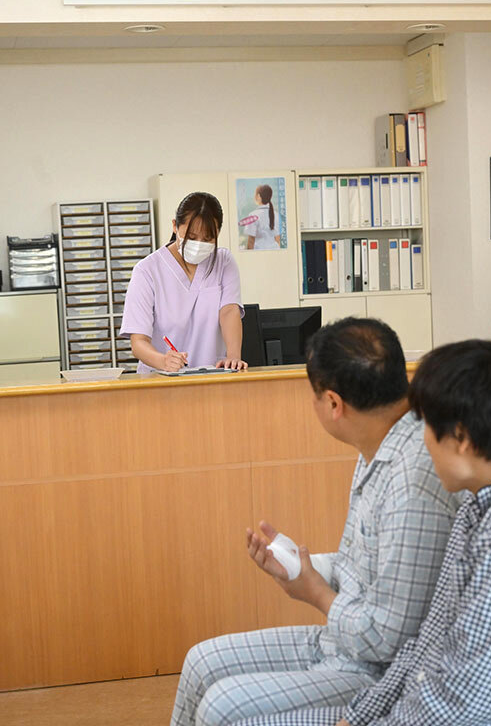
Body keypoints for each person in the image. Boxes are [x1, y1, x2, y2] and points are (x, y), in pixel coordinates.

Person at [170, 318, 458, 726]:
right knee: (200, 661)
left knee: (222, 706)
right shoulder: (377, 446)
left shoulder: (412, 483)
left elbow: (386, 640)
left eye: (314, 395)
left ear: (334, 404)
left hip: (377, 672)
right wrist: (299, 564)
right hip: (341, 641)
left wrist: (316, 593)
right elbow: (365, 566)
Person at [233, 339, 491, 726]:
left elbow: (470, 700)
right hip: (420, 699)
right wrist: (357, 717)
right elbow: (426, 643)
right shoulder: (477, 507)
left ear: (461, 438)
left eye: (428, 427)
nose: (421, 441)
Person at [120, 192, 248, 372]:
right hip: (161, 379)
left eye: (208, 238)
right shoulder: (147, 270)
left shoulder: (223, 262)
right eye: (192, 237)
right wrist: (163, 361)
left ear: (218, 233)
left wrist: (233, 357)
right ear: (175, 226)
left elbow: (229, 311)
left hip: (212, 374)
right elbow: (138, 341)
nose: (199, 244)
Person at [244, 184, 281, 250]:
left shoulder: (252, 215)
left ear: (258, 196)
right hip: (274, 250)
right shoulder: (276, 215)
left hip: (259, 252)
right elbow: (277, 239)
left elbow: (251, 241)